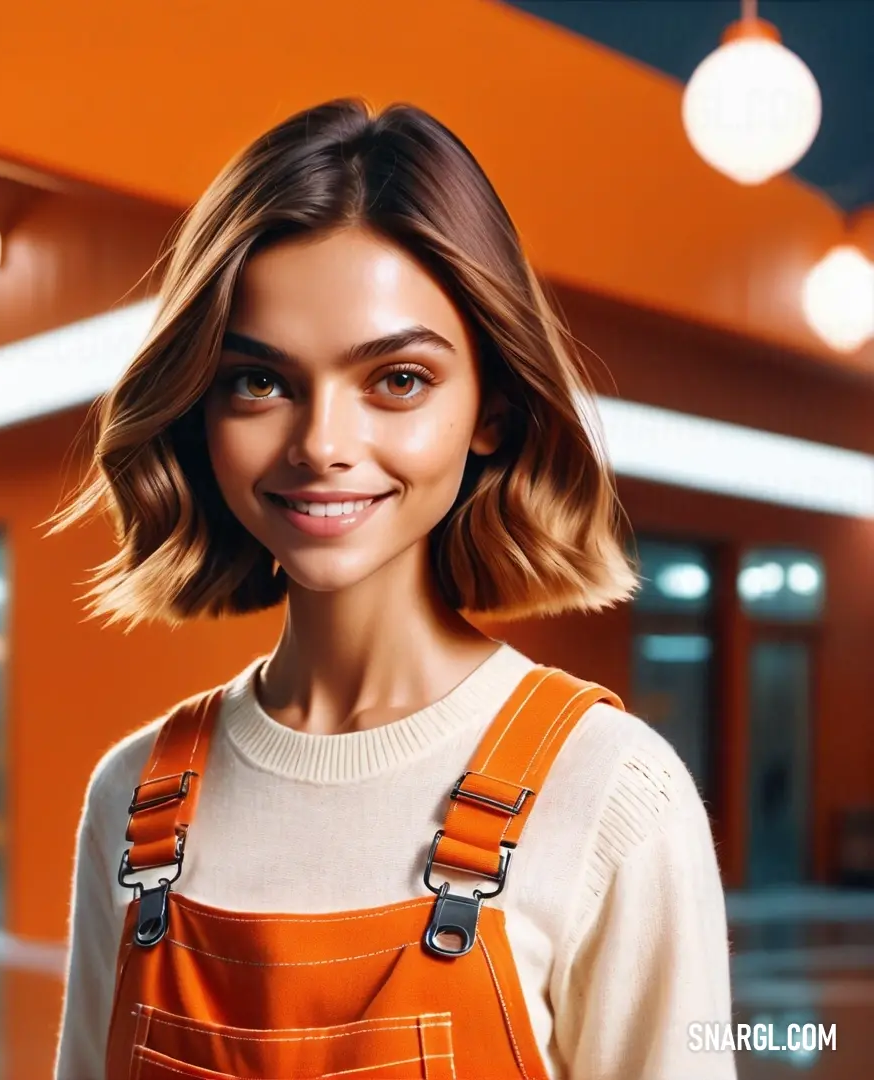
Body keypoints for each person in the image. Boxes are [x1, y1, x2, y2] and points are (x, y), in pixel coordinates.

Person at [53, 99, 735, 1080]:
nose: (323, 443)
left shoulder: (614, 793)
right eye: (258, 381)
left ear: (492, 408)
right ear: (200, 405)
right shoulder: (130, 798)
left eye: (399, 379)